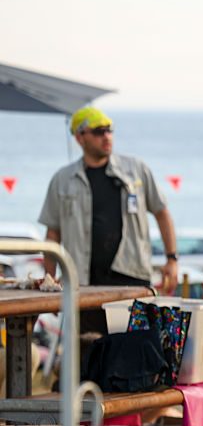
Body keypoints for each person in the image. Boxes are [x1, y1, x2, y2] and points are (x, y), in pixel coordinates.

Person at [39, 107, 178, 298]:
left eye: (109, 130)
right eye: (98, 132)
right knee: (86, 330)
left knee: (140, 329)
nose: (106, 137)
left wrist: (172, 259)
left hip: (133, 279)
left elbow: (162, 213)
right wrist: (49, 278)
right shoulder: (62, 179)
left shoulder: (136, 170)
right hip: (83, 284)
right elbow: (53, 233)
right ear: (80, 137)